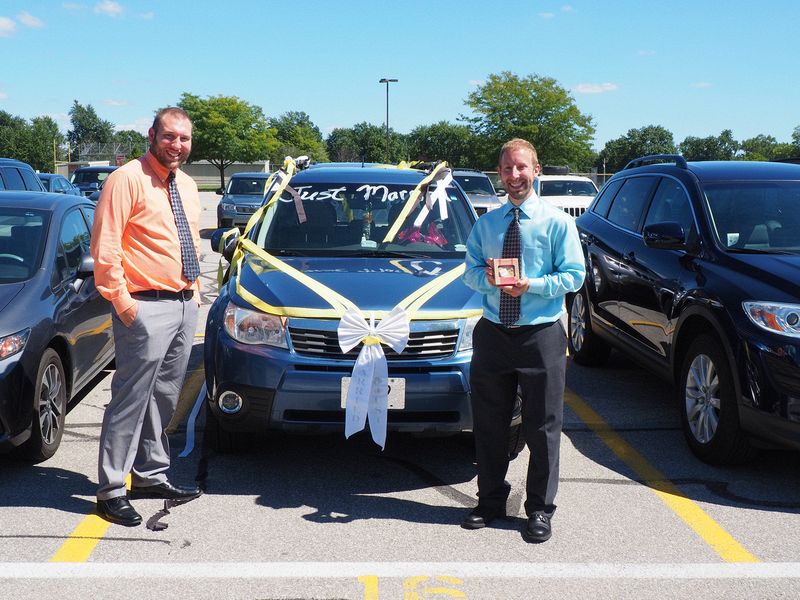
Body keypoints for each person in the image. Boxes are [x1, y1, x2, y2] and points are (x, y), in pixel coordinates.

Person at [461, 138, 585, 542]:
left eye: (522, 168)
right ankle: (490, 500)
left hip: (541, 335)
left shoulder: (557, 223)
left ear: (536, 170)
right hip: (494, 332)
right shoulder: (487, 224)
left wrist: (530, 285)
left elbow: (574, 276)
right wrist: (493, 280)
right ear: (499, 173)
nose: (514, 176)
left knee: (543, 427)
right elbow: (470, 272)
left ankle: (540, 510)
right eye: (508, 169)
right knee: (490, 424)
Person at [90, 107, 202, 527]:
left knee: (165, 395)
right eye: (170, 136)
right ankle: (111, 490)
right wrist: (124, 304)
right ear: (152, 134)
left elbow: (186, 240)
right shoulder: (127, 179)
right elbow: (106, 247)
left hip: (184, 303)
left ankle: (151, 474)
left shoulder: (188, 185)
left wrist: (195, 295)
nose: (177, 145)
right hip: (143, 306)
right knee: (130, 399)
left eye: (184, 139)